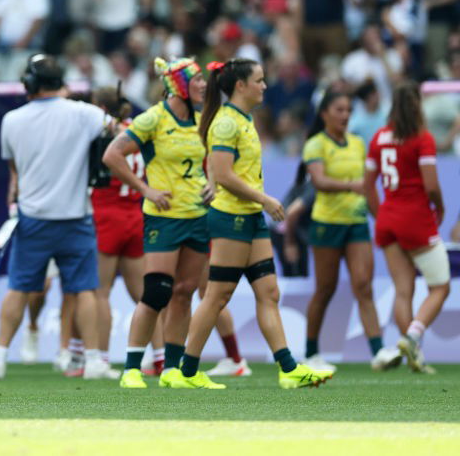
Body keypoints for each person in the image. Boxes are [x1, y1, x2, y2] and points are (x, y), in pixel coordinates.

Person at [172, 59, 332, 389]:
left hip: (249, 219)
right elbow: (226, 174)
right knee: (217, 296)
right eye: (259, 81)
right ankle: (185, 372)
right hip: (232, 218)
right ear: (240, 86)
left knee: (268, 292)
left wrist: (253, 200)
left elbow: (222, 173)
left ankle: (288, 369)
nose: (264, 86)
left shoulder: (243, 120)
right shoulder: (227, 123)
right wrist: (266, 199)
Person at [0, 55, 112, 382]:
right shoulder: (84, 113)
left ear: (30, 84)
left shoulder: (11, 120)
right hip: (75, 217)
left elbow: (15, 172)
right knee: (84, 290)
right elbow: (119, 130)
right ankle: (94, 361)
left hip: (33, 217)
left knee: (19, 288)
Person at [103, 58, 211, 389]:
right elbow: (112, 156)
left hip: (198, 216)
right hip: (163, 218)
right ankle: (132, 369)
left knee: (185, 292)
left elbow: (214, 158)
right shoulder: (154, 118)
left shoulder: (203, 119)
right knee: (156, 292)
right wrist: (145, 189)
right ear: (178, 86)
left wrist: (215, 184)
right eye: (197, 81)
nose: (204, 85)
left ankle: (172, 370)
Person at [295, 90, 401, 372]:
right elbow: (318, 181)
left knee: (363, 285)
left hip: (356, 223)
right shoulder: (315, 145)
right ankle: (310, 352)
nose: (345, 116)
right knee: (325, 289)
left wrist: (382, 221)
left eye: (348, 111)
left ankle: (378, 351)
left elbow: (369, 187)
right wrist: (351, 186)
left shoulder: (358, 144)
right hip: (327, 224)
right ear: (324, 114)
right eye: (339, 110)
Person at [364, 82, 451, 374]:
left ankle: (416, 355)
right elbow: (431, 185)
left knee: (403, 290)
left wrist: (383, 217)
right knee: (440, 286)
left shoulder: (379, 137)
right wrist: (440, 208)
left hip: (388, 217)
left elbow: (367, 187)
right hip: (415, 218)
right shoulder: (421, 138)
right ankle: (413, 336)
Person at [89, 85, 165, 377]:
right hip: (135, 215)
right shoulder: (137, 129)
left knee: (100, 293)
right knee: (144, 294)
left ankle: (102, 360)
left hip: (106, 215)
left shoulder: (99, 130)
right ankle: (159, 357)